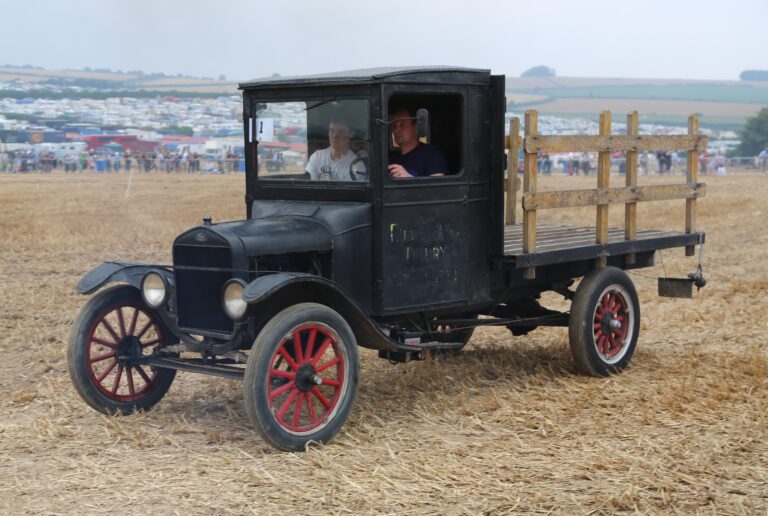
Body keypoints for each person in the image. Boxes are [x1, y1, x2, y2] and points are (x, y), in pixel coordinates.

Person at [388, 107, 446, 178]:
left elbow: (438, 187)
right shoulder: (393, 159)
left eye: (402, 125)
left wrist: (409, 178)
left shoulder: (431, 154)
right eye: (394, 126)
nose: (396, 131)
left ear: (415, 127)